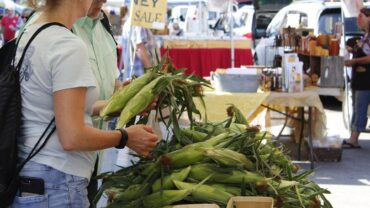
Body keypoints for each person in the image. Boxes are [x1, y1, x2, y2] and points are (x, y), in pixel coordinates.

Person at [11, 0, 158, 207]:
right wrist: (125, 137)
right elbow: (72, 137)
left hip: (30, 176)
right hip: (58, 185)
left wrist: (122, 103)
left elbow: (59, 108)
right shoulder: (67, 44)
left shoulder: (31, 34)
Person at [343, 7, 370, 149]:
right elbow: (360, 49)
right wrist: (351, 49)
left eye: (361, 16)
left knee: (360, 108)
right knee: (356, 106)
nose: (358, 19)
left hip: (366, 78)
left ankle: (354, 139)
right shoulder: (365, 35)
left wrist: (353, 61)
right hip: (358, 78)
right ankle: (352, 137)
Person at [121, 11, 158, 80]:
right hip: (141, 76)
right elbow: (140, 49)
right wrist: (152, 73)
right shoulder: (137, 23)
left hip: (136, 75)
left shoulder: (131, 22)